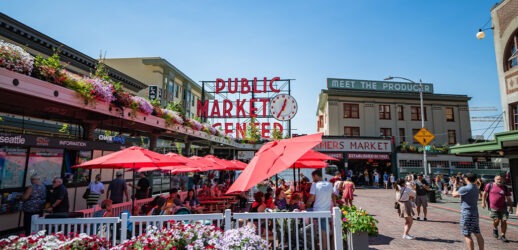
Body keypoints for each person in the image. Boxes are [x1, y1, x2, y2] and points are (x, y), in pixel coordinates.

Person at [452, 173, 484, 250]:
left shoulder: (465, 188)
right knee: (477, 234)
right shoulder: (476, 188)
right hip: (475, 213)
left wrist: (455, 186)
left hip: (467, 214)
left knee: (467, 234)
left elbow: (454, 195)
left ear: (466, 179)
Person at [306, 169, 334, 249]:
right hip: (327, 211)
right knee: (323, 231)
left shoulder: (315, 185)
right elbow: (333, 196)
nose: (312, 179)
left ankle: (324, 248)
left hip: (318, 211)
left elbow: (311, 199)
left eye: (313, 177)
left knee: (323, 233)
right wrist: (335, 204)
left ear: (316, 176)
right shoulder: (330, 184)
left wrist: (306, 206)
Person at [482, 175, 513, 243]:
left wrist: (510, 207)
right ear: (494, 179)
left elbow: (508, 198)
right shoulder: (489, 185)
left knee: (504, 221)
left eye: (501, 179)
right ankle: (495, 228)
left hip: (503, 207)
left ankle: (503, 235)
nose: (499, 181)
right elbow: (484, 194)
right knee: (496, 220)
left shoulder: (504, 187)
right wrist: (483, 202)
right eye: (498, 179)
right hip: (493, 207)